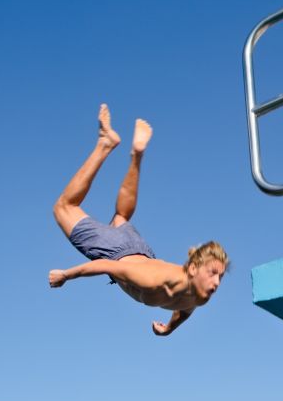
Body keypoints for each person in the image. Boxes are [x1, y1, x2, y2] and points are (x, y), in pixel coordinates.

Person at [49, 105, 228, 338]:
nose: (217, 282)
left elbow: (184, 311)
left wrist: (168, 329)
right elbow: (107, 266)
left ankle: (136, 156)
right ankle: (105, 144)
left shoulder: (198, 295)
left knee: (121, 217)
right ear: (193, 268)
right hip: (117, 253)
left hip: (141, 250)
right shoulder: (153, 281)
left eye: (220, 276)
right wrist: (66, 275)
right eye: (213, 273)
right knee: (63, 207)